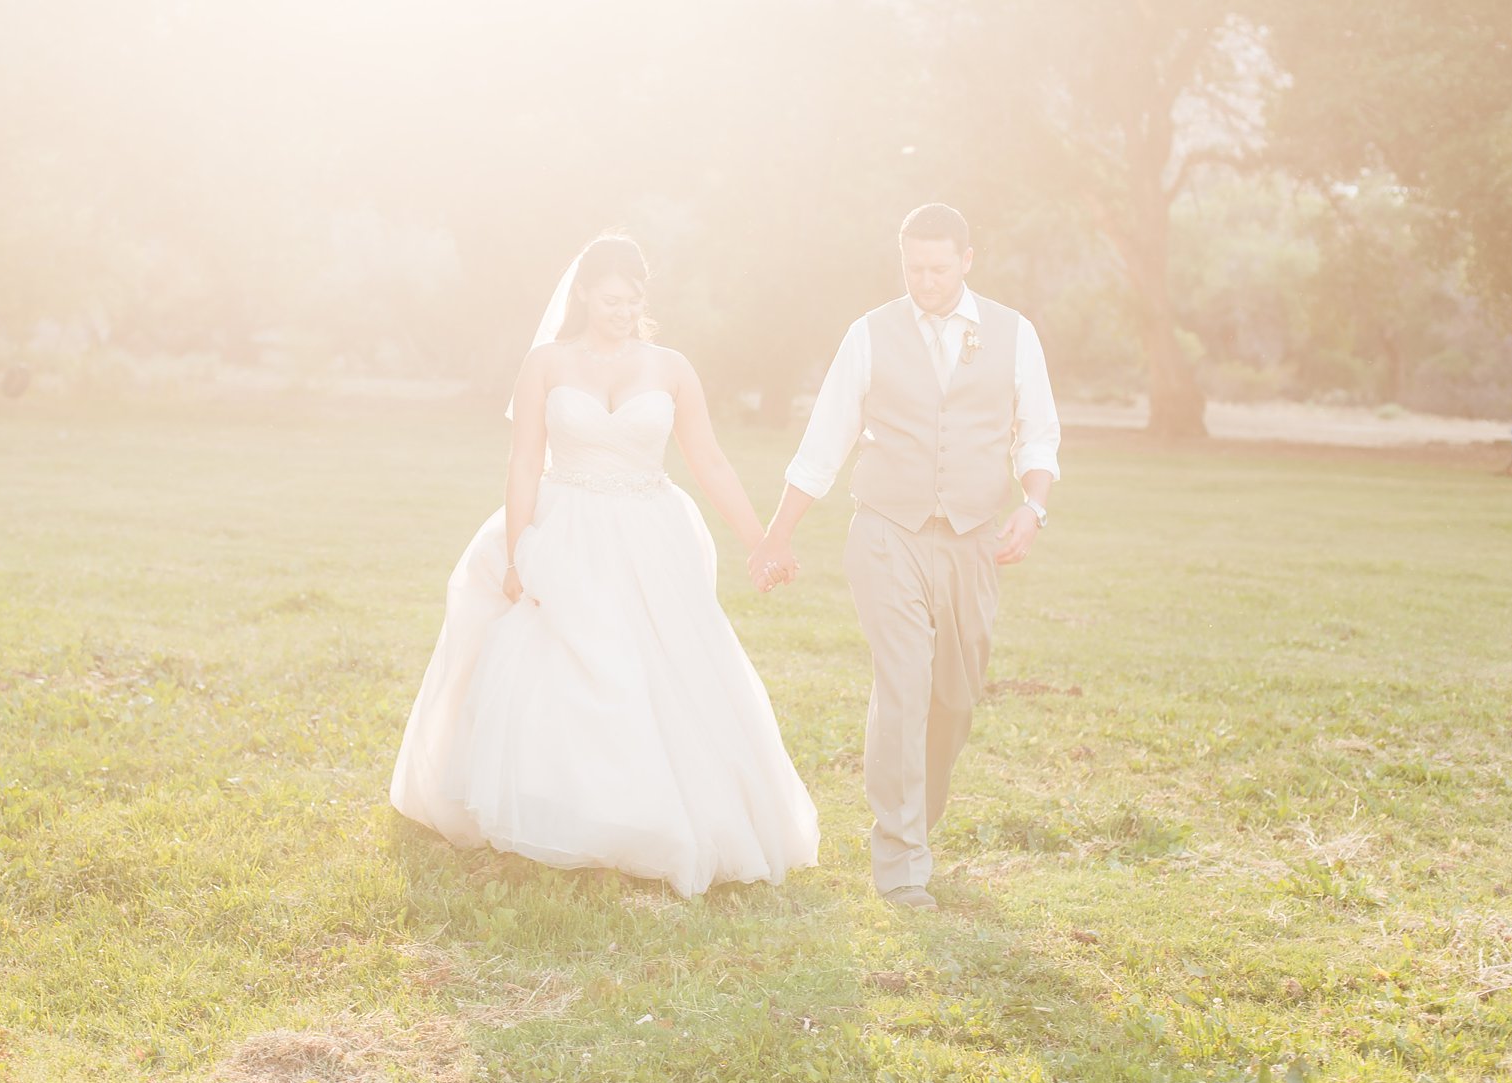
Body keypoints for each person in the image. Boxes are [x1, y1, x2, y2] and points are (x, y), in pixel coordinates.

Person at [390, 234, 820, 898]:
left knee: (659, 668)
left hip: (651, 534)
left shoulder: (671, 367)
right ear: (585, 293)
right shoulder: (545, 364)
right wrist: (515, 551)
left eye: (633, 300)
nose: (623, 311)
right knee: (567, 664)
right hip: (566, 528)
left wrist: (760, 541)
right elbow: (525, 461)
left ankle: (652, 814)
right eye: (611, 299)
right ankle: (566, 809)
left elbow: (710, 461)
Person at [748, 203, 1060, 911]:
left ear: (967, 260)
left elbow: (1037, 435)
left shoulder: (1014, 334)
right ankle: (900, 860)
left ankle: (918, 819)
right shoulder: (869, 333)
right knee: (904, 684)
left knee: (954, 695)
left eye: (939, 267)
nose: (925, 280)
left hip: (974, 537)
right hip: (886, 531)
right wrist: (778, 533)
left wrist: (1031, 509)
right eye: (914, 267)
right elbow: (825, 441)